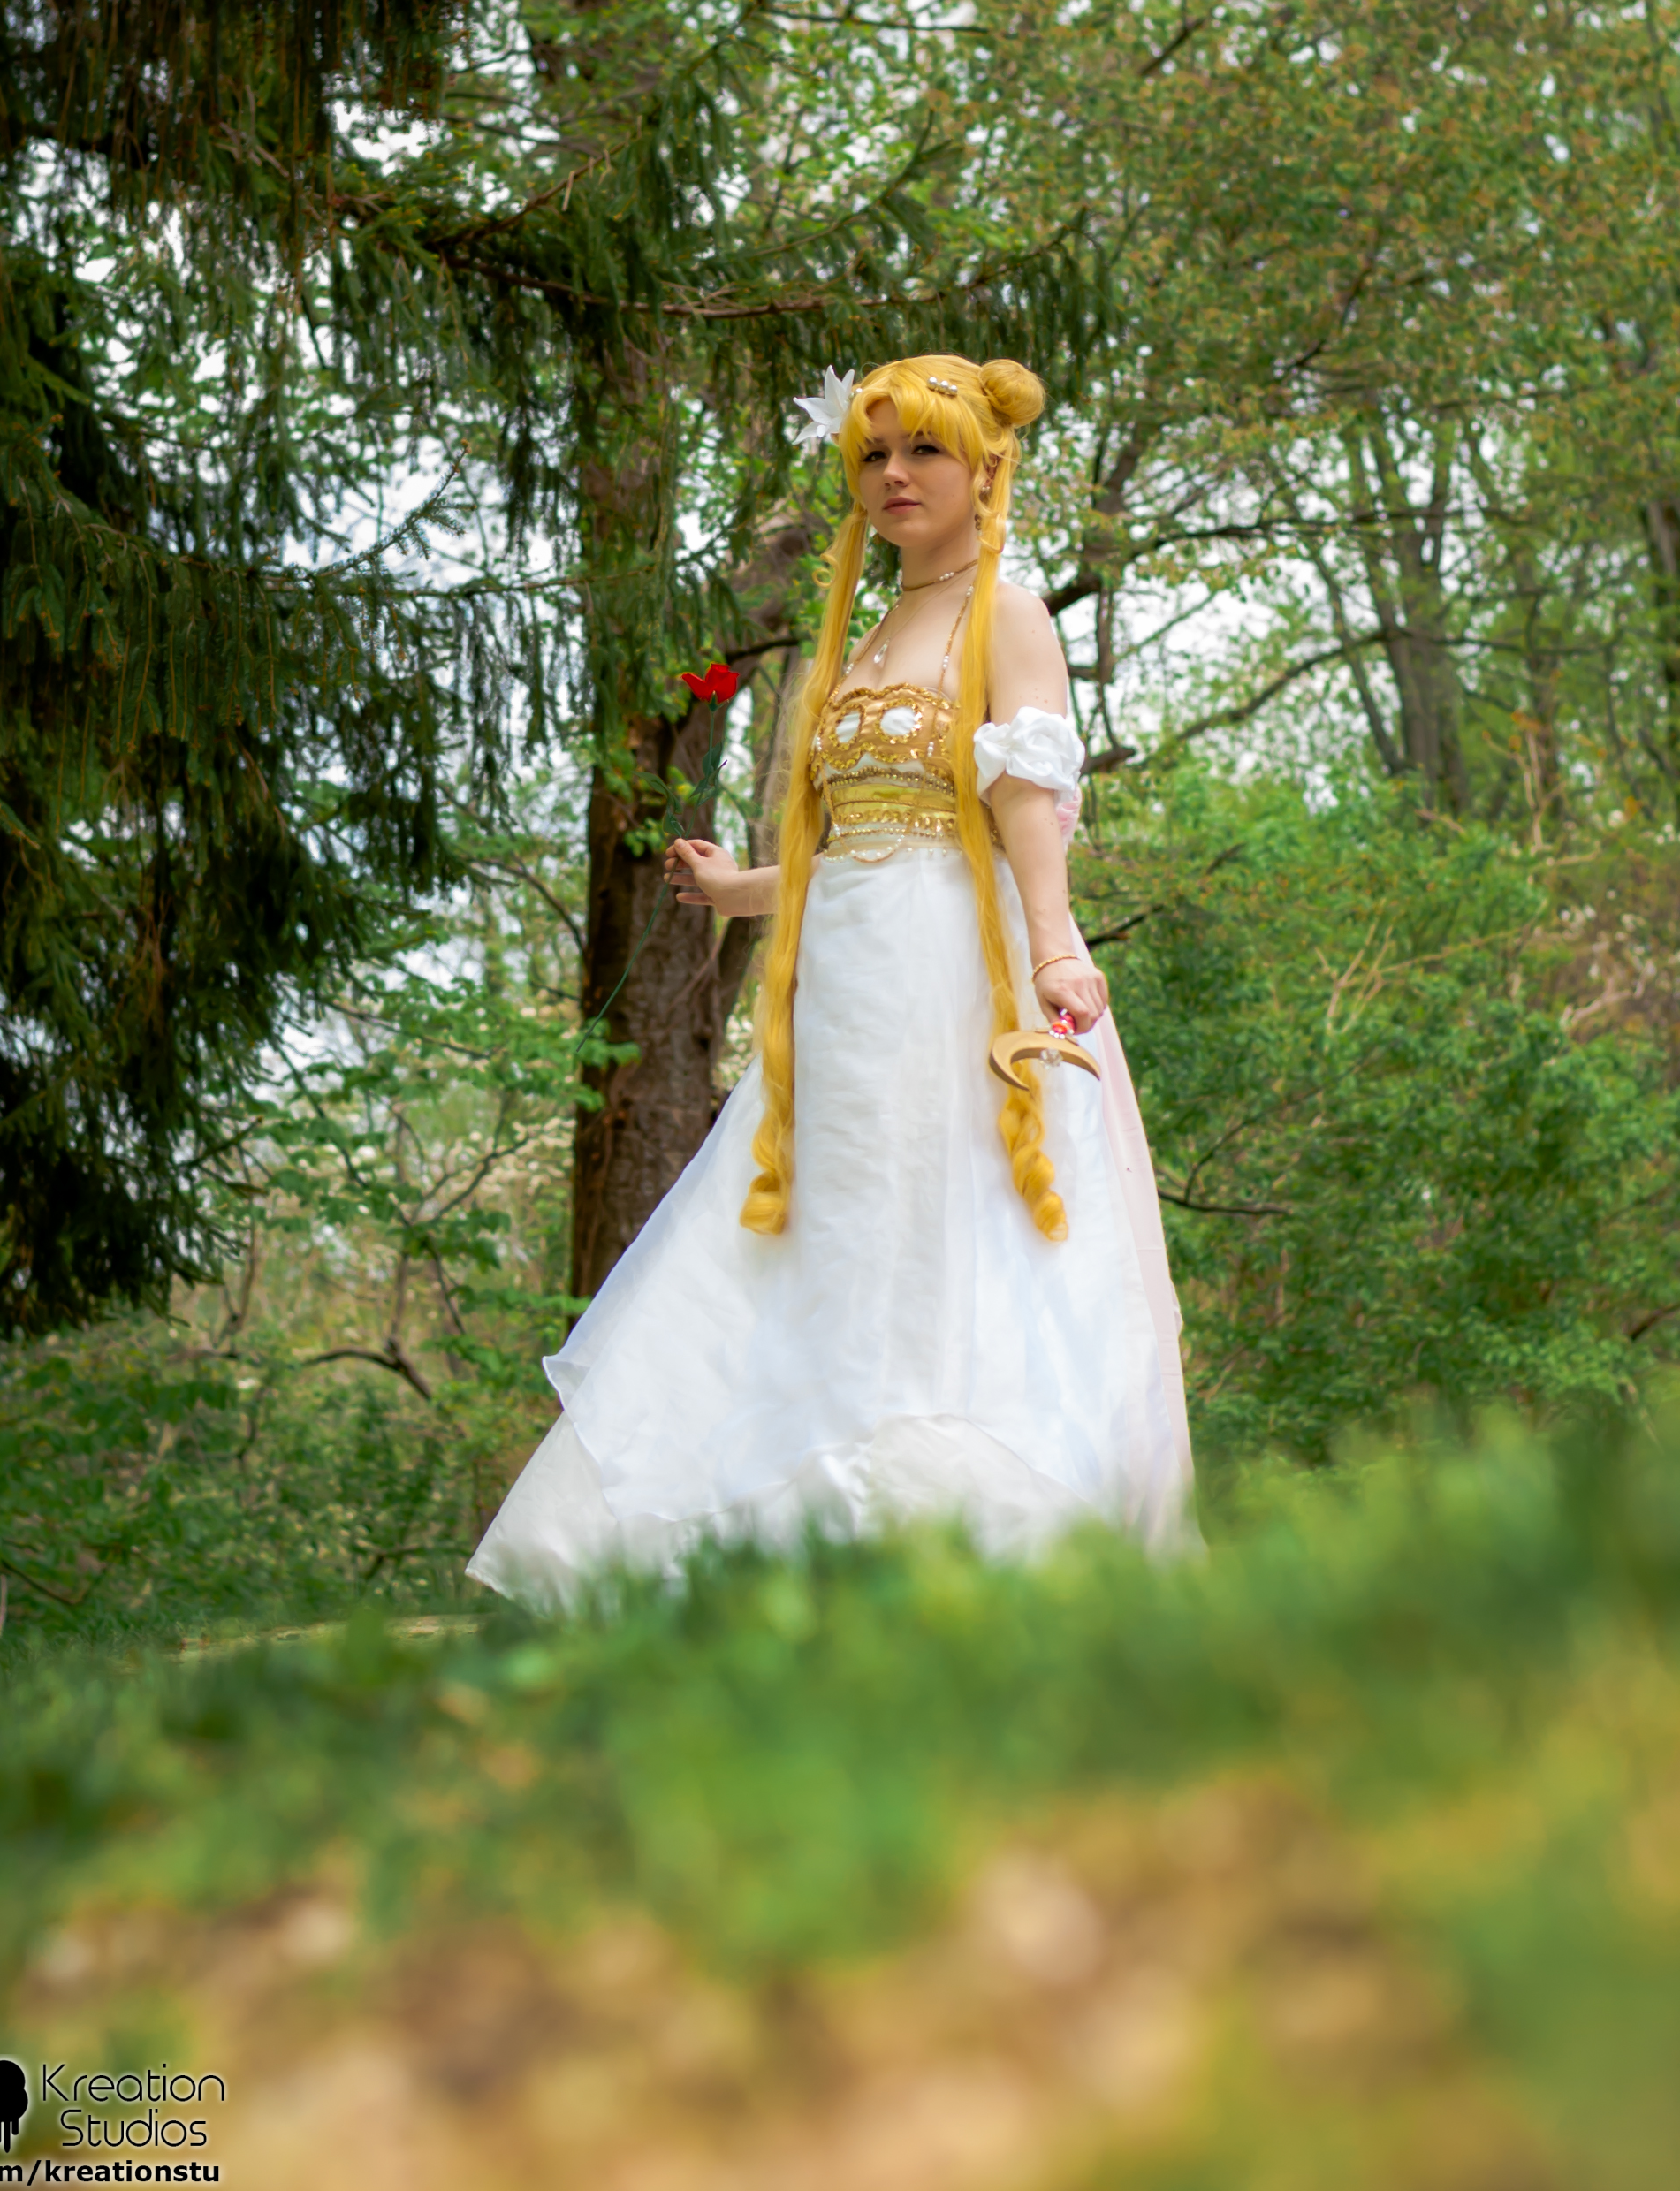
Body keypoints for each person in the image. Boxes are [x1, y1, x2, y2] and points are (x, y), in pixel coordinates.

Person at [468, 354, 1195, 1606]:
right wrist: (741, 890)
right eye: (873, 455)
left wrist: (1055, 945)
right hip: (845, 988)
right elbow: (858, 837)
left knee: (944, 1229)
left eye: (923, 450)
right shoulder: (868, 630)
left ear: (985, 468)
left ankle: (950, 1554)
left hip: (958, 977)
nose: (894, 475)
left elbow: (1023, 799)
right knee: (831, 1229)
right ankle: (789, 1550)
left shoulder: (1007, 614)